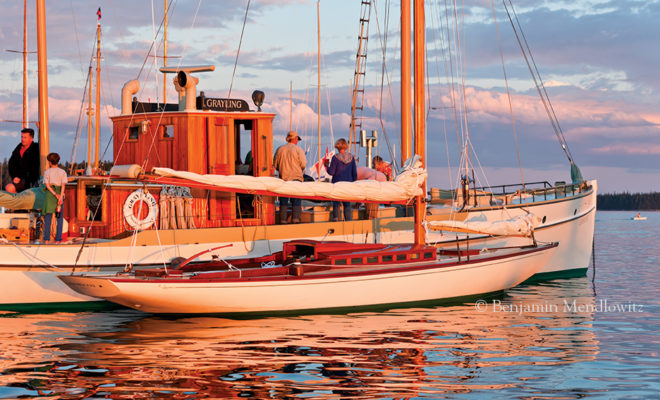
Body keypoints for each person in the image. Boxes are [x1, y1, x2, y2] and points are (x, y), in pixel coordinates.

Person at [273, 131, 306, 224]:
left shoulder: (280, 149)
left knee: (283, 201)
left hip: (284, 179)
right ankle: (295, 220)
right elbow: (303, 164)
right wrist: (299, 169)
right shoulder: (298, 149)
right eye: (297, 139)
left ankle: (283, 220)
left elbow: (275, 164)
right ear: (295, 139)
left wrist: (281, 170)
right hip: (296, 178)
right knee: (296, 200)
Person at [325, 138, 357, 222]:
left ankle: (336, 219)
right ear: (345, 146)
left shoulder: (335, 158)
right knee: (347, 204)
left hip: (337, 183)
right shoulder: (351, 158)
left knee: (336, 202)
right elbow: (354, 173)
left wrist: (326, 166)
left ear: (337, 147)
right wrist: (354, 183)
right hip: (348, 184)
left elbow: (331, 172)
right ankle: (348, 220)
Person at [42, 153, 68, 242]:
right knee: (59, 218)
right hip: (60, 193)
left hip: (50, 194)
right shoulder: (63, 172)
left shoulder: (47, 172)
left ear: (49, 162)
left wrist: (54, 194)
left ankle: (46, 239)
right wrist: (60, 196)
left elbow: (47, 185)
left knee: (48, 217)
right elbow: (63, 185)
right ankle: (58, 239)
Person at [6, 128, 40, 193]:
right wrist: (14, 176)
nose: (22, 139)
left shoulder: (35, 148)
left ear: (31, 138)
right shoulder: (18, 148)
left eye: (25, 137)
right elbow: (11, 164)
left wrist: (26, 179)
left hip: (30, 181)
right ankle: (18, 202)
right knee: (8, 188)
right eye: (22, 137)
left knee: (9, 188)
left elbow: (34, 166)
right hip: (18, 179)